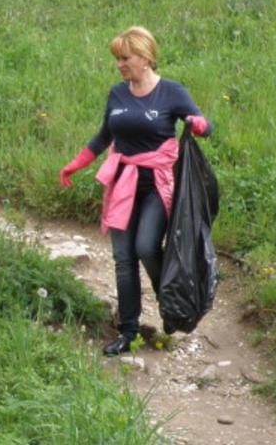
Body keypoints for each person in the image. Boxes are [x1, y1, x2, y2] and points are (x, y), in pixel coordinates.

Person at [59, 26, 211, 356]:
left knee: (145, 246)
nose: (120, 64)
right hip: (122, 184)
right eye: (117, 59)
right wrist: (75, 164)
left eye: (125, 58)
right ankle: (128, 331)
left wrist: (199, 124)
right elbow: (103, 137)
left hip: (157, 184)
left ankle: (170, 305)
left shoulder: (171, 92)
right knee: (123, 259)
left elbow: (201, 122)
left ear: (145, 58)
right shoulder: (118, 94)